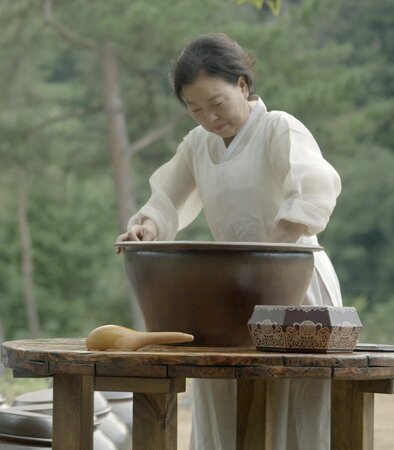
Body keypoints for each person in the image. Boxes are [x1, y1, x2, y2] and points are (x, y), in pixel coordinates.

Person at [116, 33, 342, 450]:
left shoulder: (278, 128)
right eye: (195, 109)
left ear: (241, 85)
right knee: (225, 400)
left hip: (293, 285)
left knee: (295, 405)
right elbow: (165, 201)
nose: (208, 118)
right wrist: (145, 227)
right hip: (230, 296)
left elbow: (311, 193)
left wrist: (269, 254)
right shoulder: (198, 145)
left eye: (216, 103)